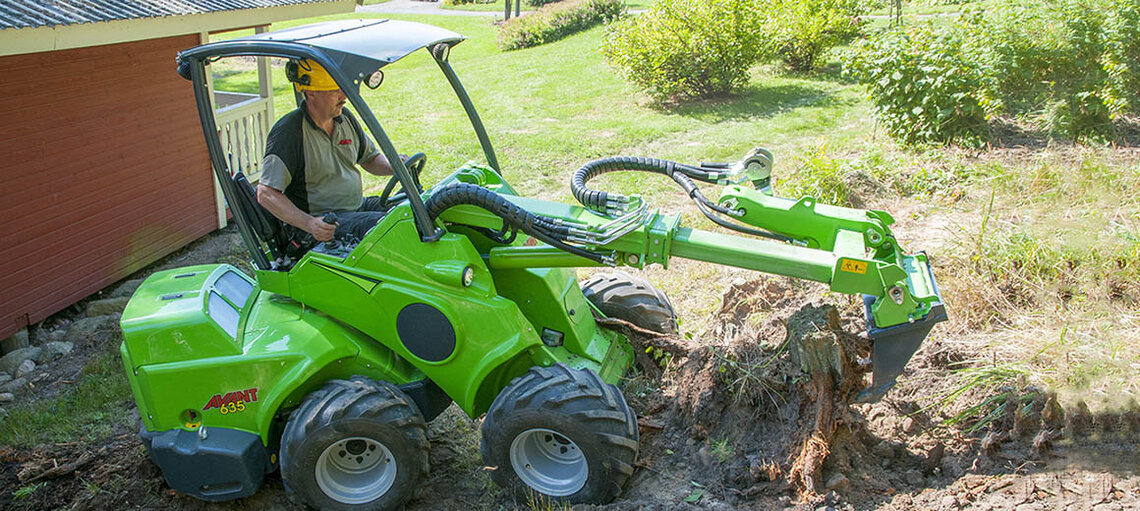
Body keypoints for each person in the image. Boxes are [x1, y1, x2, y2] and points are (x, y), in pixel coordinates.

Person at [257, 58, 395, 253]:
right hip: (321, 224)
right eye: (335, 90)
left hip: (355, 207)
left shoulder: (344, 118)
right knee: (387, 228)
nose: (344, 96)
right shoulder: (289, 132)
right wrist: (310, 224)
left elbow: (369, 159)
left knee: (405, 212)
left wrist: (397, 166)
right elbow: (266, 194)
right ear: (311, 92)